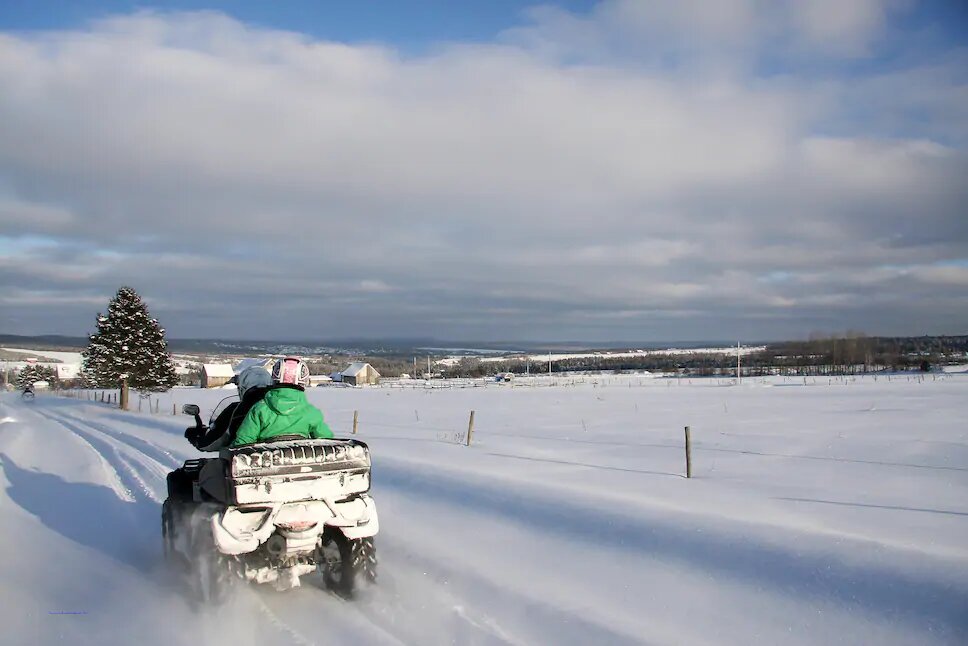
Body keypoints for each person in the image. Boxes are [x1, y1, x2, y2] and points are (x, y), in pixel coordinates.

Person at [231, 357, 333, 446]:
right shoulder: (311, 412)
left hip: (267, 464)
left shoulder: (260, 409)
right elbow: (326, 441)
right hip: (300, 463)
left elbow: (243, 441)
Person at [185, 366, 273, 451]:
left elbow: (216, 439)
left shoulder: (237, 410)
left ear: (243, 388)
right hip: (281, 456)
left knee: (212, 465)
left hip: (243, 459)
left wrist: (199, 441)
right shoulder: (279, 407)